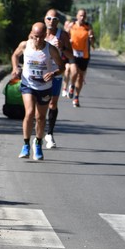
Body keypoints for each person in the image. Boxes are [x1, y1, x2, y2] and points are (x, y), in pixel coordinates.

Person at [11, 22, 65, 161]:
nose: (38, 40)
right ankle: (25, 144)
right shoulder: (25, 45)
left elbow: (62, 67)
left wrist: (53, 73)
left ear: (45, 35)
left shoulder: (51, 49)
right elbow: (15, 55)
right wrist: (15, 68)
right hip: (28, 85)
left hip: (45, 87)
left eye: (41, 37)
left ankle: (38, 143)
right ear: (31, 34)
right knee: (29, 113)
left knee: (40, 117)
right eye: (35, 37)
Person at [44, 9, 73, 148]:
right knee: (40, 104)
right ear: (44, 19)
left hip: (56, 72)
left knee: (52, 104)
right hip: (40, 74)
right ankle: (39, 130)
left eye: (54, 19)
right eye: (49, 18)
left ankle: (49, 134)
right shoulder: (37, 32)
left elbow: (71, 55)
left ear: (58, 21)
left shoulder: (63, 35)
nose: (51, 21)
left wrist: (63, 47)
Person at [67, 9, 95, 107]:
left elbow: (92, 42)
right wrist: (68, 41)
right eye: (80, 15)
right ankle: (72, 85)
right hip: (73, 53)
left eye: (84, 16)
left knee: (81, 77)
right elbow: (65, 36)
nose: (82, 18)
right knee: (74, 72)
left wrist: (91, 39)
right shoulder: (71, 26)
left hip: (84, 55)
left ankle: (76, 97)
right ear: (77, 16)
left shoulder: (88, 27)